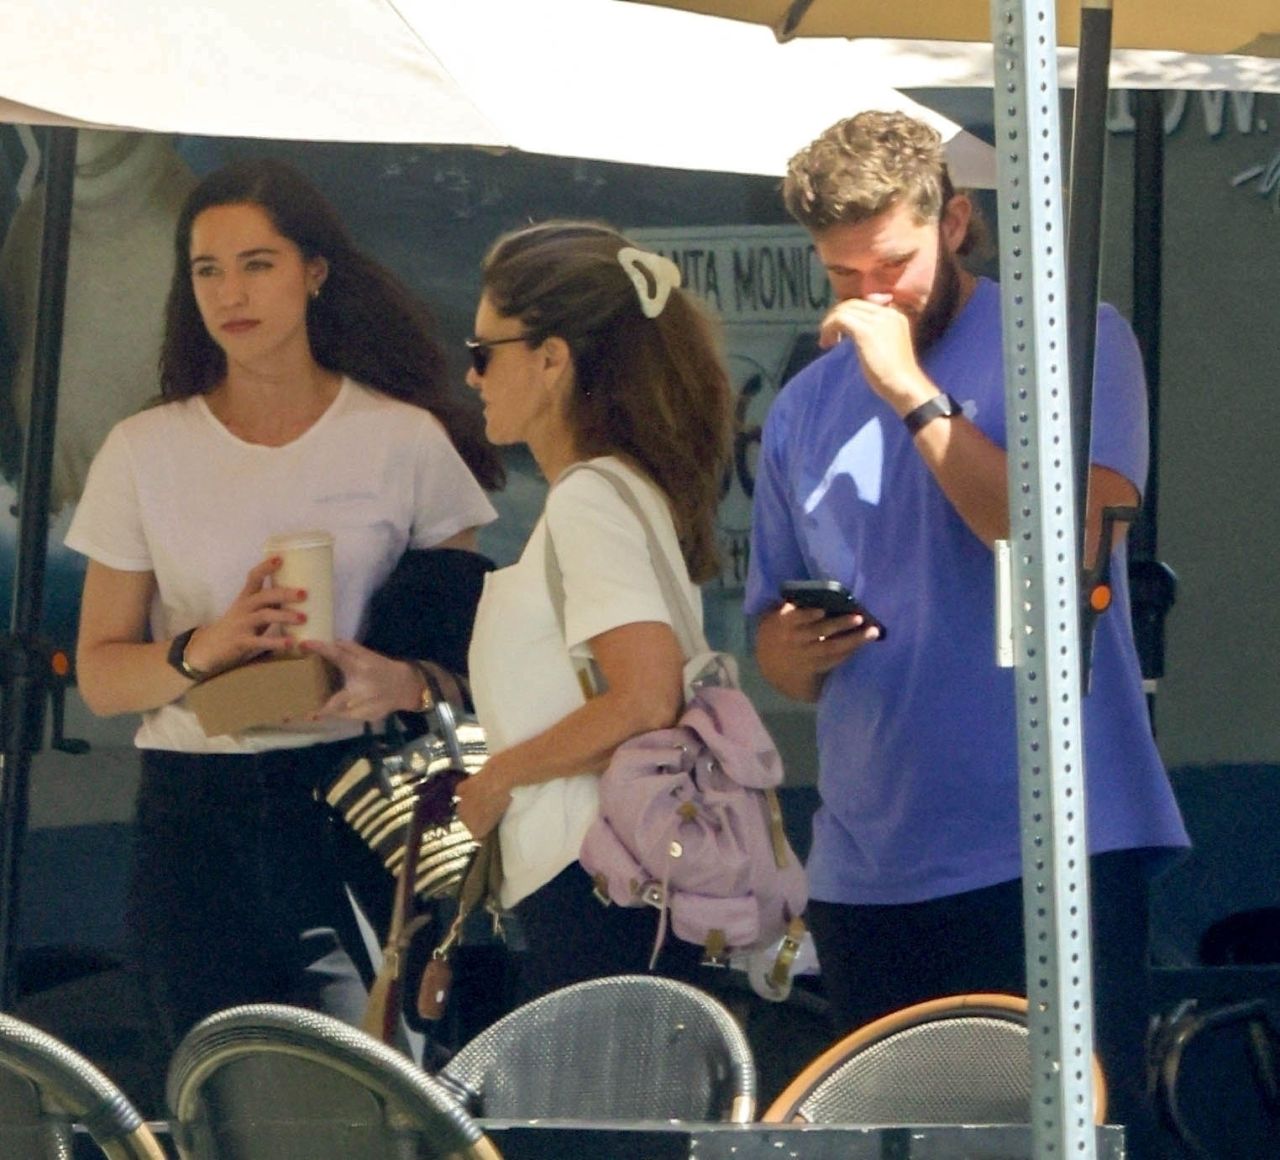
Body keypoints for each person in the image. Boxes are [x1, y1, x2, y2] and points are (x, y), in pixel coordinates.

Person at [743, 112, 1188, 1155]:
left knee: (1060, 1141)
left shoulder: (1072, 336)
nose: (866, 294)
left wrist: (906, 389)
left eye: (888, 262)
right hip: (867, 865)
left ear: (954, 222)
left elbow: (1064, 534)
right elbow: (769, 638)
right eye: (840, 271)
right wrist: (793, 648)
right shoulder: (805, 405)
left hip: (1047, 844)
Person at [65, 157, 501, 1050]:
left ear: (315, 272)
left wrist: (397, 681)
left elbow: (469, 663)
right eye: (207, 270)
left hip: (359, 798)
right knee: (209, 1092)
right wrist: (206, 647)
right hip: (193, 810)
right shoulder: (144, 449)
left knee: (368, 1094)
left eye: (258, 262)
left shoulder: (400, 440)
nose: (231, 292)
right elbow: (104, 680)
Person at [311, 220, 734, 1002]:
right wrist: (417, 693)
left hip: (601, 891)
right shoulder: (616, 493)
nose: (471, 378)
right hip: (617, 890)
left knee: (588, 1125)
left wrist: (498, 776)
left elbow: (645, 698)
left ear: (551, 358)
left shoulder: (588, 501)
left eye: (482, 353)